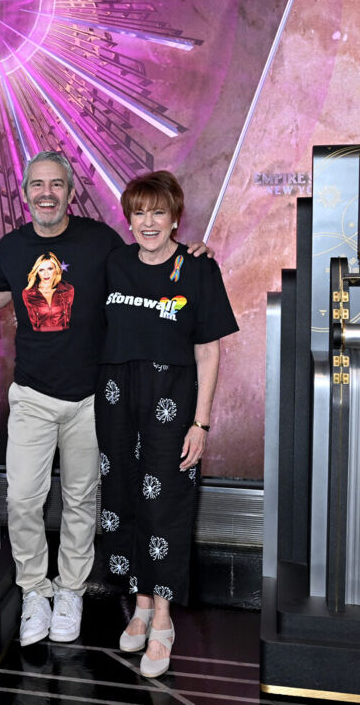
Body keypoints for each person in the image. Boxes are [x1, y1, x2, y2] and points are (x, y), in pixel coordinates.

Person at [0, 152, 209, 647]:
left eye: (56, 184)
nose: (47, 193)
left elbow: (146, 267)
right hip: (32, 397)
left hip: (93, 401)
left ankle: (71, 591)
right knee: (22, 499)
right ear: (25, 193)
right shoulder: (14, 245)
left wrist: (188, 256)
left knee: (82, 502)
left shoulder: (100, 242)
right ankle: (34, 591)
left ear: (70, 191)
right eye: (37, 185)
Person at [95, 171, 238, 677]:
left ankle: (163, 617)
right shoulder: (114, 265)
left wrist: (201, 424)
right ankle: (139, 603)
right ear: (128, 218)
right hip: (116, 400)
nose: (148, 222)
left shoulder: (199, 269)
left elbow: (208, 352)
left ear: (176, 217)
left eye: (159, 212)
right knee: (124, 501)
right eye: (139, 212)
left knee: (166, 508)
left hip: (172, 404)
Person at [21, 252, 74, 332]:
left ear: (56, 269)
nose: (46, 274)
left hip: (66, 339)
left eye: (50, 269)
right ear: (37, 272)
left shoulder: (68, 290)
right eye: (41, 270)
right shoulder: (28, 293)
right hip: (37, 340)